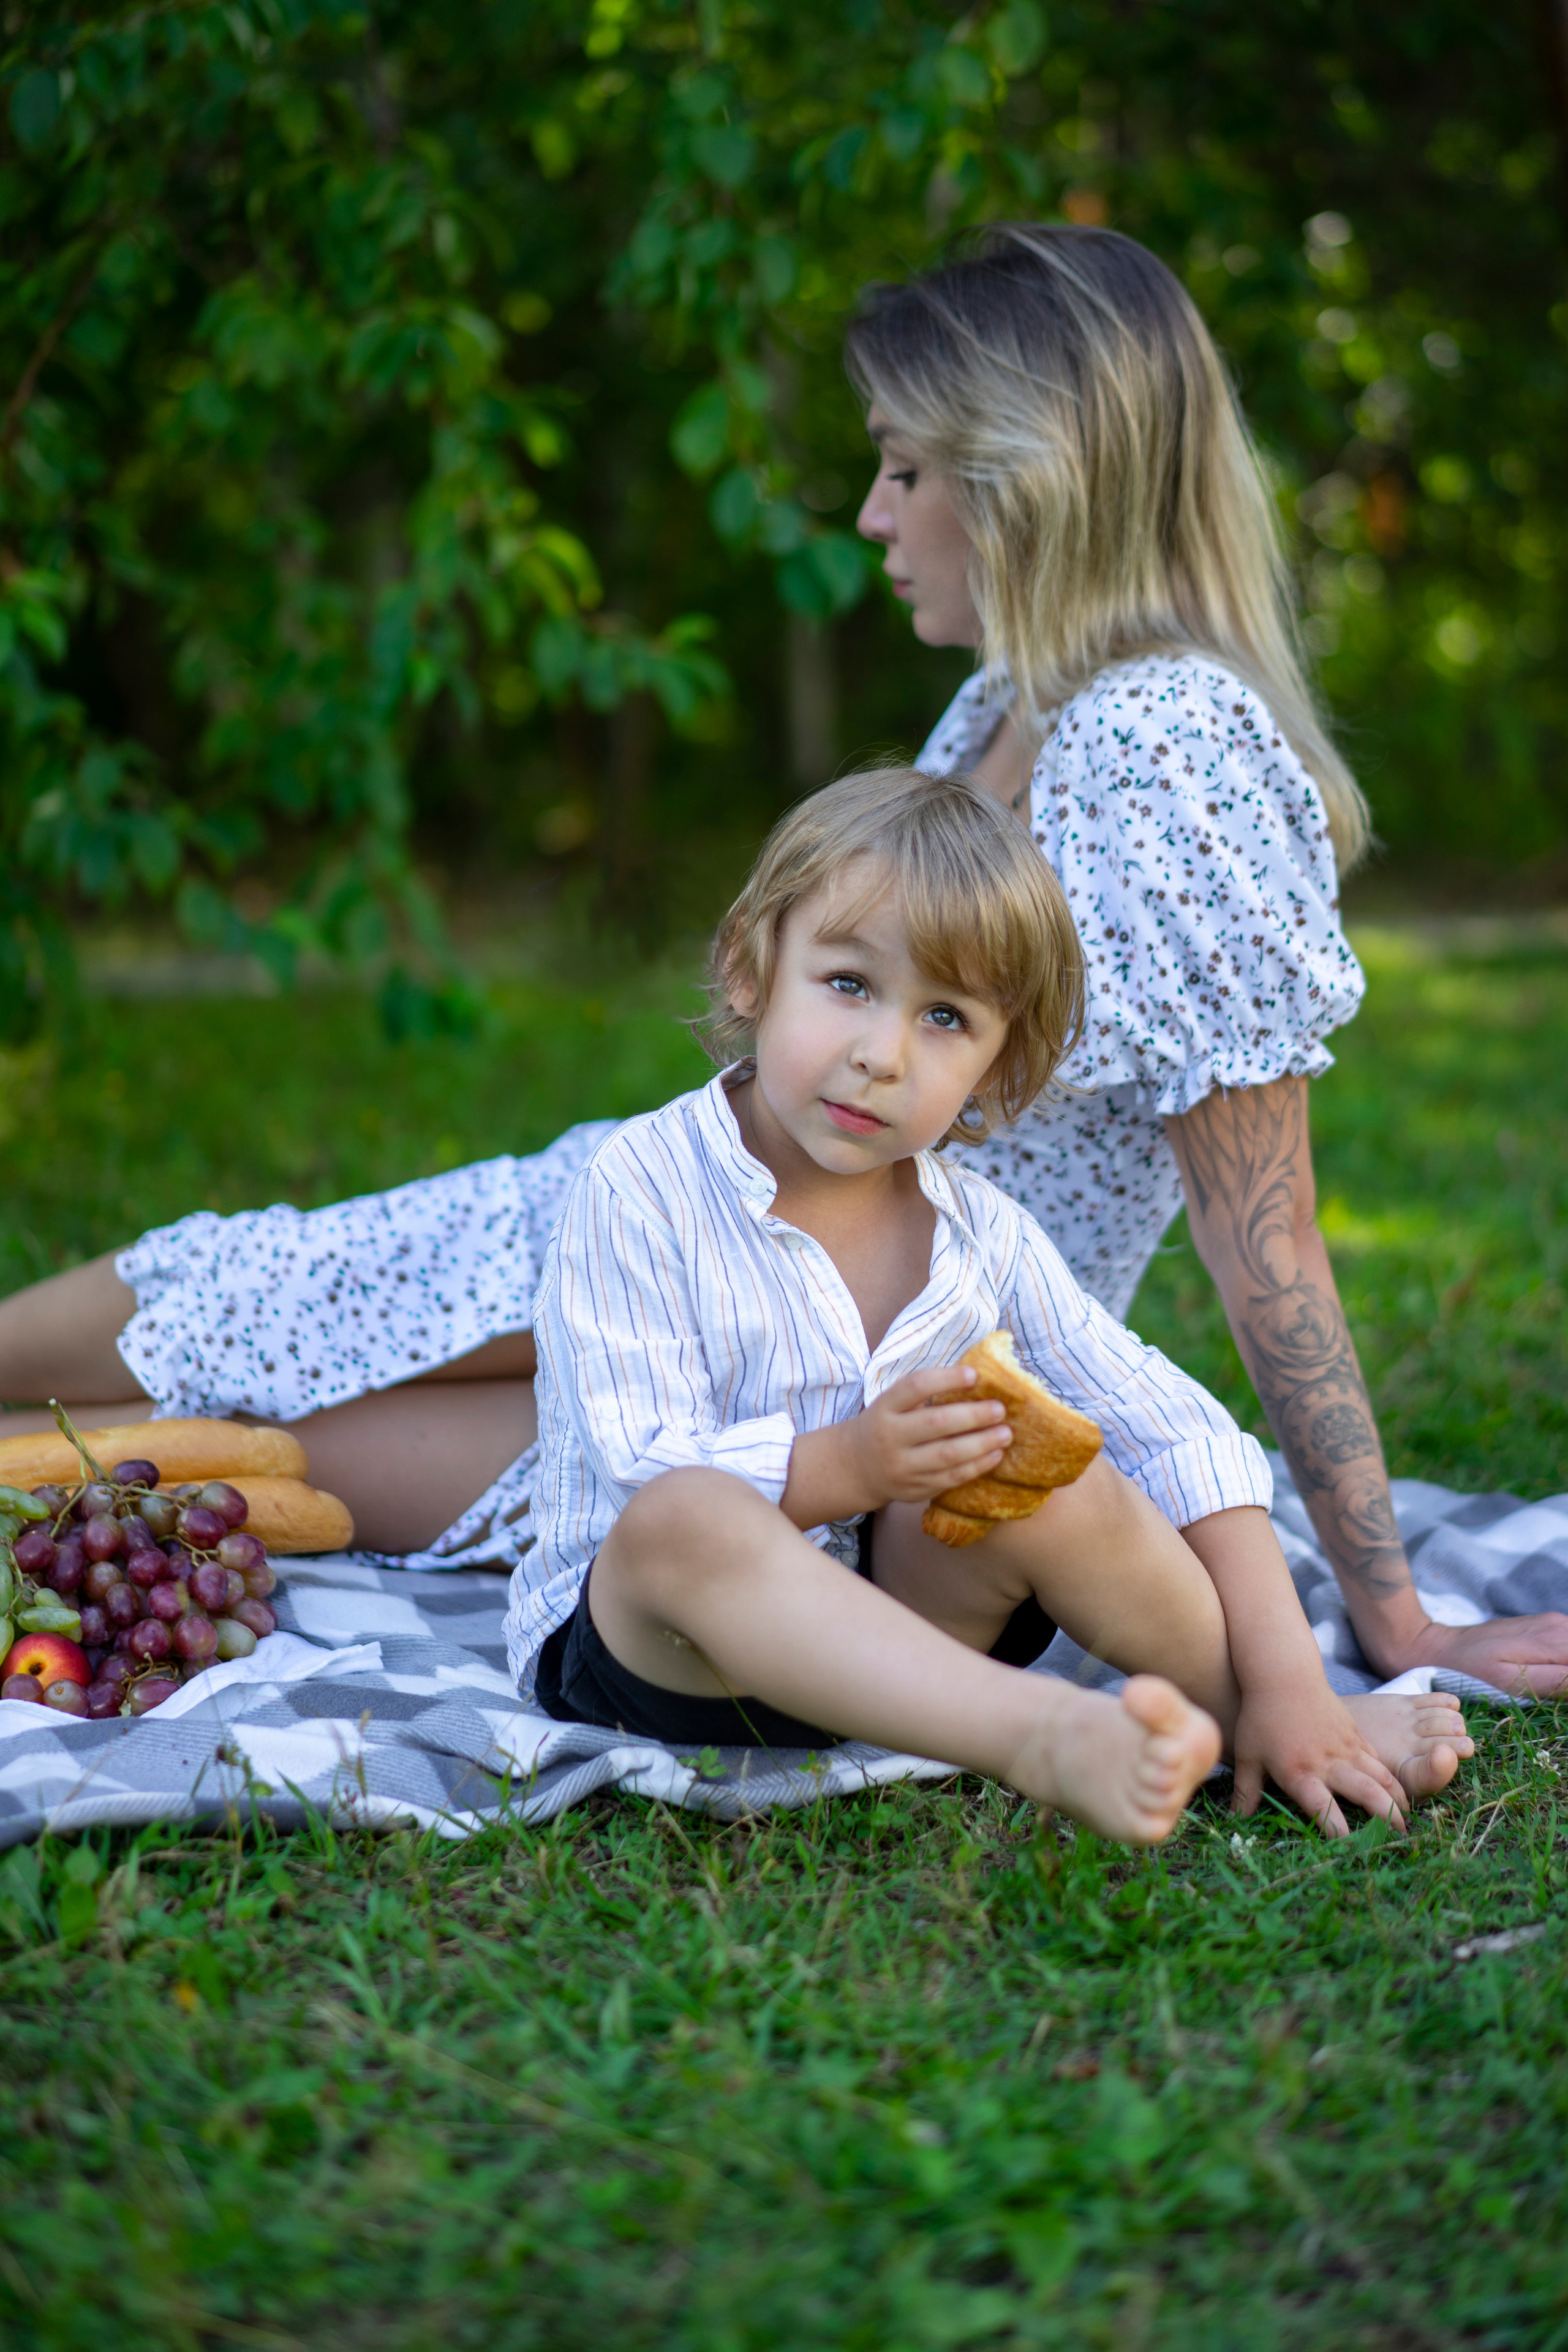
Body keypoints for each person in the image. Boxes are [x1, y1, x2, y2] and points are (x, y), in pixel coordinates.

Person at [0, 222, 1560, 1698]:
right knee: (222, 1295)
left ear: (1027, 478)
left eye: (902, 470)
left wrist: (1389, 1612)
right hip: (701, 1229)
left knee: (236, 1443)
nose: (875, 517)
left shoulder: (1166, 742)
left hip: (839, 1349)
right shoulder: (1012, 703)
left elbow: (1264, 1231)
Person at [511, 763, 1461, 1839]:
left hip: (905, 1626)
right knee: (683, 1517)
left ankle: (1265, 1721)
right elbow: (640, 1459)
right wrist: (854, 1465)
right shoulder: (640, 1186)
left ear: (1000, 1072)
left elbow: (1176, 1426)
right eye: (850, 985)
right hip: (667, 1657)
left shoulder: (979, 1231)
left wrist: (1290, 1673)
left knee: (1060, 1469)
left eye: (947, 1018)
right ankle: (1036, 1734)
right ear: (750, 966)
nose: (882, 1055)